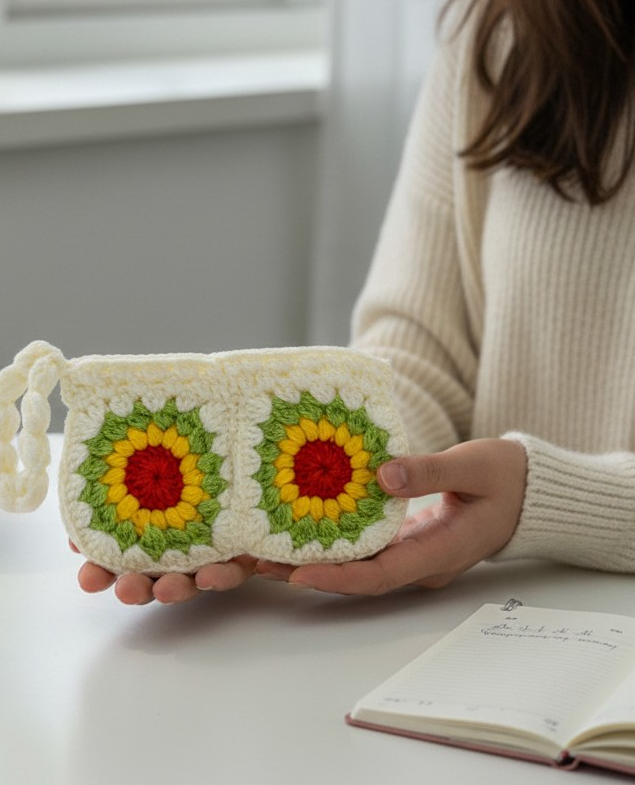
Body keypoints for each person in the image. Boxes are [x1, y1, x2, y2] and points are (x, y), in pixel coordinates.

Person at [74, 0, 635, 604]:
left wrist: (539, 501)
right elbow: (422, 350)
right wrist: (281, 489)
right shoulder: (509, 28)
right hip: (492, 612)